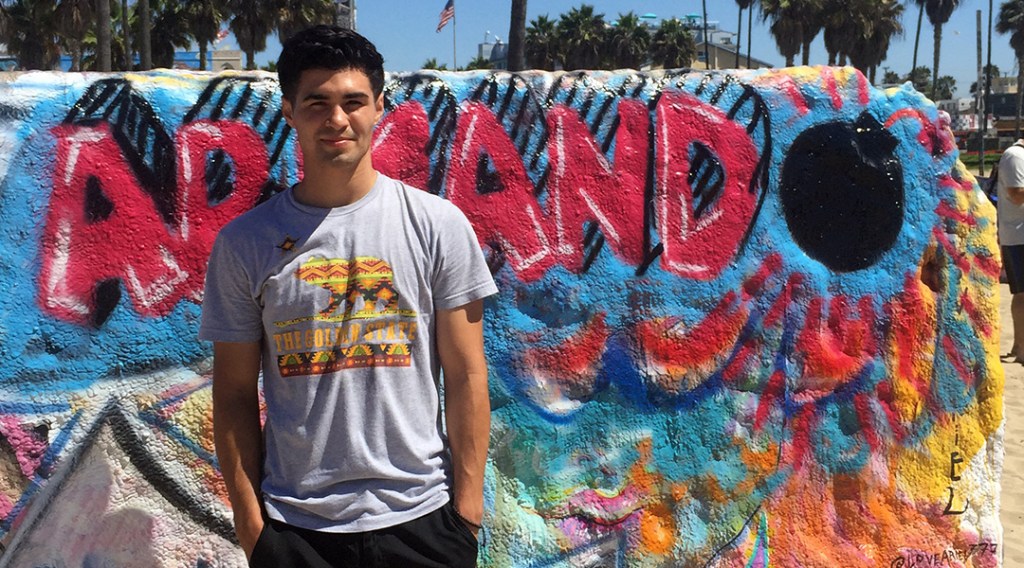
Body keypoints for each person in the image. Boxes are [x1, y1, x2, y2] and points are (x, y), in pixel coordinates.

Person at [199, 25, 497, 567]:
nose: (337, 119)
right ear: (288, 111)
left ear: (380, 107)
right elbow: (235, 394)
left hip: (425, 522)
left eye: (353, 102)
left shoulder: (437, 225)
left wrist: (467, 513)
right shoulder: (244, 244)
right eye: (317, 102)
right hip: (296, 530)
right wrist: (253, 527)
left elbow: (468, 374)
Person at [997, 138, 1024, 363]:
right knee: (1022, 294)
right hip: (1017, 237)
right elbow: (1016, 194)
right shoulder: (1015, 156)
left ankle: (1018, 345)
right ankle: (1022, 348)